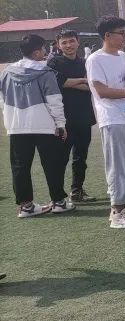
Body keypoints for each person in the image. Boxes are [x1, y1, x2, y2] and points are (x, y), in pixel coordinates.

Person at [2, 34, 72, 217]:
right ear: (36, 52)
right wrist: (61, 124)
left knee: (20, 166)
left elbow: (2, 99)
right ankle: (59, 202)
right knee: (52, 164)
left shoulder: (7, 72)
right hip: (44, 125)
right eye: (43, 48)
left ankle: (26, 206)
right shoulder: (46, 73)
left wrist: (10, 118)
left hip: (16, 125)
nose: (45, 51)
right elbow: (54, 101)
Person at [86, 16, 125, 229]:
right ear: (107, 35)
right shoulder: (95, 59)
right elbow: (101, 91)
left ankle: (124, 205)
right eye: (122, 33)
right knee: (117, 165)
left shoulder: (123, 57)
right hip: (111, 119)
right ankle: (116, 212)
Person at [48, 29, 96, 202]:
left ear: (78, 42)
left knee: (81, 158)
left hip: (84, 117)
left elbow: (93, 85)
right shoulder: (53, 62)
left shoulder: (85, 62)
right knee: (60, 159)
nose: (68, 45)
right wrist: (82, 80)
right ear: (58, 45)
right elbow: (57, 83)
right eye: (64, 42)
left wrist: (69, 82)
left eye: (71, 41)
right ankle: (58, 197)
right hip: (63, 120)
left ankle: (77, 191)